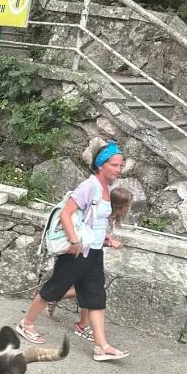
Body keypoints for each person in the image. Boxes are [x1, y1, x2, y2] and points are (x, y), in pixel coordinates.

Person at [16, 140, 130, 361]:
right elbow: (66, 214)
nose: (119, 170)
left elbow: (95, 221)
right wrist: (74, 240)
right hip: (78, 251)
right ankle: (26, 323)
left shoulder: (106, 189)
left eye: (121, 166)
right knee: (55, 288)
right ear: (101, 165)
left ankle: (101, 347)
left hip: (94, 252)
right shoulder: (89, 186)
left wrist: (105, 237)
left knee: (96, 297)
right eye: (115, 165)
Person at [45, 186, 134, 342]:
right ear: (118, 205)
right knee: (90, 291)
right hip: (82, 254)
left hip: (91, 255)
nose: (127, 209)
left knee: (89, 290)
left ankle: (56, 300)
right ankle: (79, 323)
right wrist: (109, 241)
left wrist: (107, 242)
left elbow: (97, 239)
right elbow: (89, 236)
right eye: (126, 206)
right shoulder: (101, 216)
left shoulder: (109, 218)